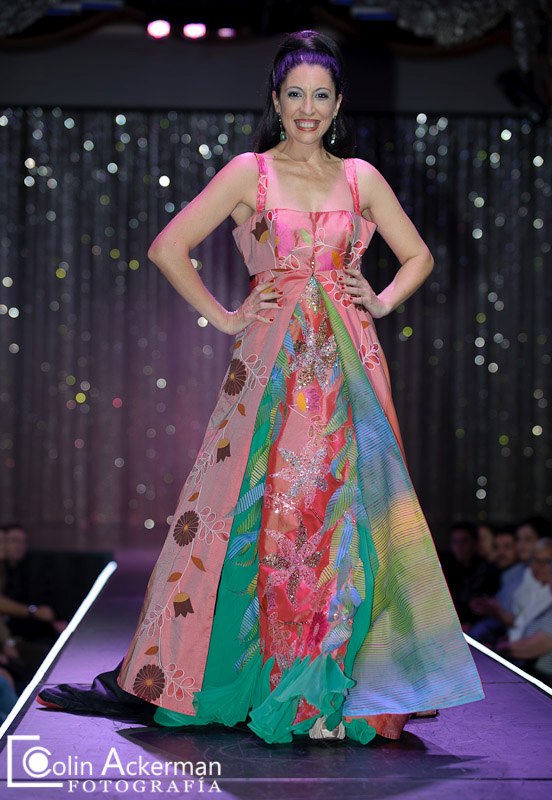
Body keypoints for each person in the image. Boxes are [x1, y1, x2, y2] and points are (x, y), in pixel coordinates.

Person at [37, 29, 485, 744]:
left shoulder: (360, 177)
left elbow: (419, 256)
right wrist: (224, 315)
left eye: (320, 96)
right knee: (267, 511)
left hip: (347, 363)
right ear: (275, 101)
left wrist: (380, 300)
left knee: (342, 512)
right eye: (294, 95)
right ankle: (262, 678)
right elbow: (167, 247)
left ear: (337, 103)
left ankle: (329, 681)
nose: (307, 108)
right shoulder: (251, 172)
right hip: (274, 367)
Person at [496, 553, 552, 687]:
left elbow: (528, 649)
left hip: (546, 684)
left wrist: (495, 648)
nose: (551, 581)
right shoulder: (550, 603)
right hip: (534, 675)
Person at [467, 525, 527, 645]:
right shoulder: (502, 574)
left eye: (507, 547)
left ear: (518, 548)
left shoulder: (526, 576)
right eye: (496, 547)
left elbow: (522, 622)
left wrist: (495, 611)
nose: (501, 552)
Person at [439, 521, 500, 630]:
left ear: (475, 543)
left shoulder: (486, 570)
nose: (459, 547)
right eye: (455, 542)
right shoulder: (447, 568)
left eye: (464, 541)